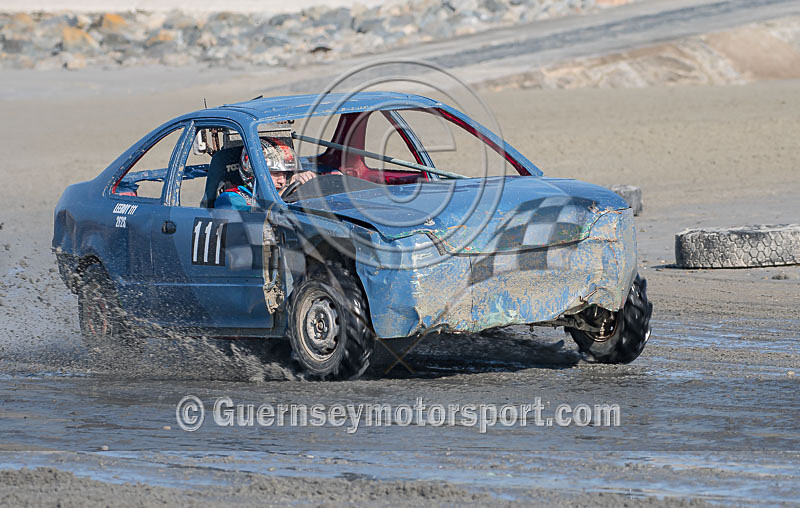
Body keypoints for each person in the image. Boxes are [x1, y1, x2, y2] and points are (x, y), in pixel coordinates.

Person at [215, 138, 316, 210]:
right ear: (253, 173)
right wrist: (281, 197)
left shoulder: (285, 190)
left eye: (285, 174)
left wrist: (304, 188)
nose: (283, 181)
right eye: (276, 173)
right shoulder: (230, 199)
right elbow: (256, 221)